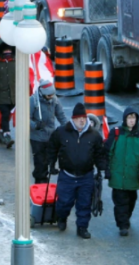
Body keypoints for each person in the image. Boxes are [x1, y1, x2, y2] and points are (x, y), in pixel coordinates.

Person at [45, 102, 107, 239]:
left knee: (84, 204)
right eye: (79, 118)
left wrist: (104, 168)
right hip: (67, 175)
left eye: (84, 118)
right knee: (64, 202)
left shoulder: (94, 135)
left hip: (86, 177)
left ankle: (82, 227)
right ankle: (61, 218)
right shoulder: (61, 132)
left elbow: (99, 154)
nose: (81, 120)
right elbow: (52, 148)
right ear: (73, 118)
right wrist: (51, 164)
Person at [104, 106, 139, 236]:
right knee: (120, 202)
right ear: (125, 119)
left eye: (134, 118)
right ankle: (122, 225)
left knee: (131, 200)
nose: (132, 120)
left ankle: (126, 218)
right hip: (117, 176)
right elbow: (107, 152)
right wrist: (106, 169)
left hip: (133, 176)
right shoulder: (116, 133)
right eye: (129, 118)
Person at [29, 78, 67, 181]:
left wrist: (68, 128)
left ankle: (49, 171)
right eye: (49, 95)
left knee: (50, 157)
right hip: (37, 137)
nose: (51, 97)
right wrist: (35, 125)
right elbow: (25, 118)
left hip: (50, 136)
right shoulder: (33, 101)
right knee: (40, 161)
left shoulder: (54, 100)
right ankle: (40, 180)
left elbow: (61, 116)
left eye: (52, 95)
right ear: (42, 93)